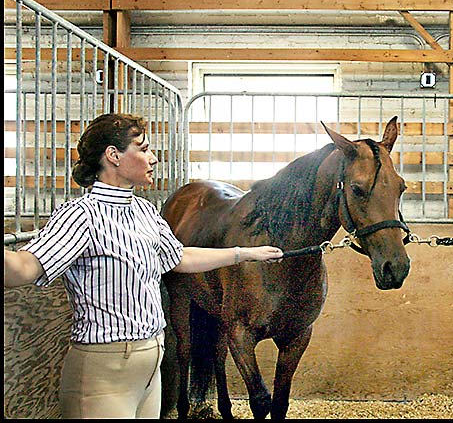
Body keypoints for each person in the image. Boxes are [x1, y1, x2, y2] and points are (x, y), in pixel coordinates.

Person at [3, 113, 283, 419]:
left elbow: (179, 257)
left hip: (149, 369)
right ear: (113, 156)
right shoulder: (82, 216)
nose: (153, 158)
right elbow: (24, 268)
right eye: (143, 148)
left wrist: (242, 254)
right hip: (104, 375)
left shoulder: (143, 211)